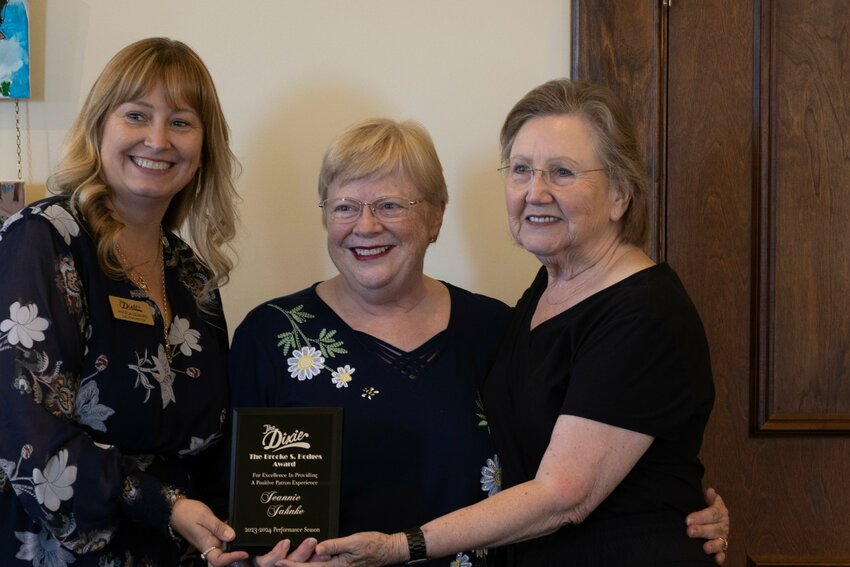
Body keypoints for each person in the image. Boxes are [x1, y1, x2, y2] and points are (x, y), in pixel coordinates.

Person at [230, 117, 729, 567]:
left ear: (435, 217)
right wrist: (264, 560)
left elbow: (569, 474)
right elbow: (234, 500)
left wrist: (672, 499)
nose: (366, 226)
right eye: (344, 206)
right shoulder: (269, 335)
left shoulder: (495, 328)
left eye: (390, 205)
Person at [0, 37, 253, 566]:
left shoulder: (191, 274)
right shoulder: (43, 240)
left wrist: (238, 536)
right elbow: (27, 434)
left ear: (203, 147)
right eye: (137, 115)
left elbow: (213, 446)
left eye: (182, 122)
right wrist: (167, 505)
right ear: (100, 127)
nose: (158, 140)